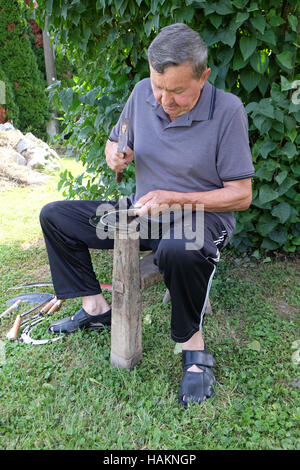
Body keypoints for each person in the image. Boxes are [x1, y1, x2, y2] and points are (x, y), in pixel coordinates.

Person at [40, 23, 255, 408]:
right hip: (142, 212)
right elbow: (116, 140)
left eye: (176, 91)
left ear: (203, 76)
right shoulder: (142, 93)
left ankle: (194, 350)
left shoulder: (227, 111)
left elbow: (240, 195)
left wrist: (174, 198)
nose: (164, 100)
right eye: (159, 86)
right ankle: (96, 309)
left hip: (198, 218)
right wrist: (114, 153)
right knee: (56, 217)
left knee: (178, 250)